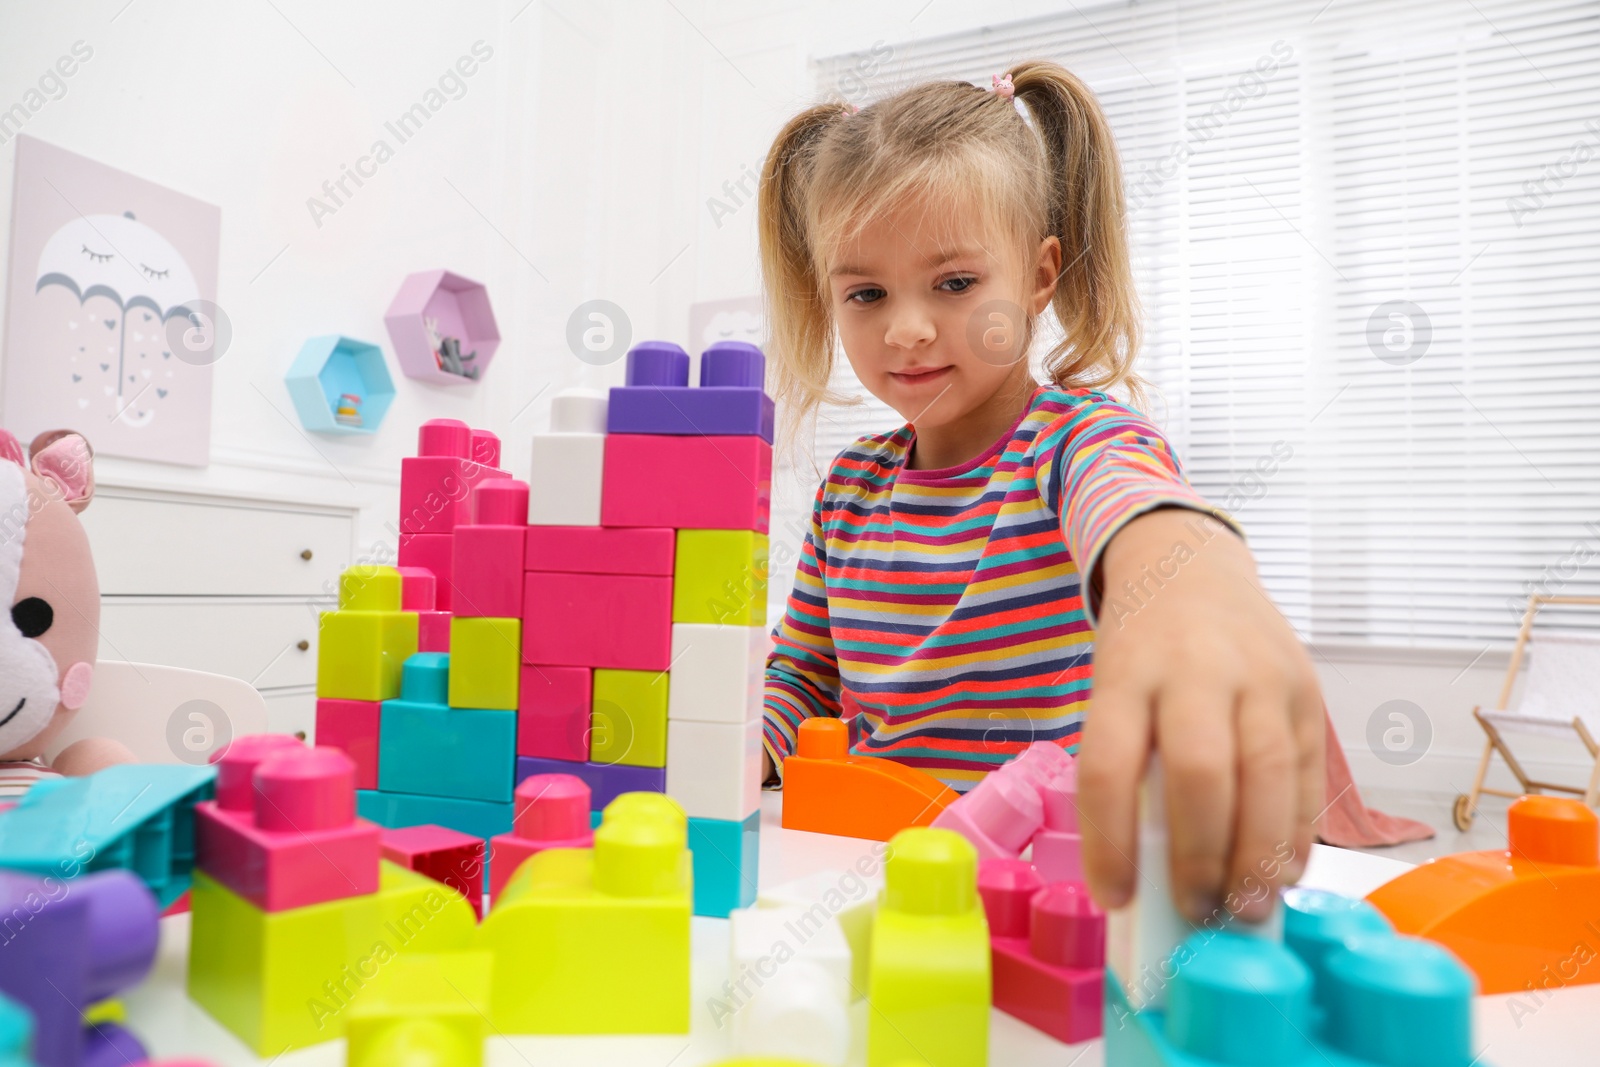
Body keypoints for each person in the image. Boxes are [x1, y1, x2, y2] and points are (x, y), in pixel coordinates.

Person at [755, 62, 1323, 924]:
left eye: (954, 284)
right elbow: (802, 675)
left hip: (1043, 887)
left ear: (1040, 276)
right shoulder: (849, 489)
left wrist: (1199, 588)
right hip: (869, 872)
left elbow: (1137, 509)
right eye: (866, 293)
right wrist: (740, 743)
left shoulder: (1072, 441)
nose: (906, 329)